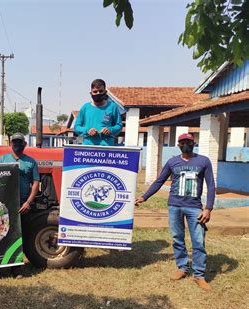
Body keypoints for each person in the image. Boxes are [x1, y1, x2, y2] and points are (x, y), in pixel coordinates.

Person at [135, 133, 215, 291]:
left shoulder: (203, 161)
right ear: (178, 145)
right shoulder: (173, 161)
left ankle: (199, 275)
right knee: (177, 238)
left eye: (189, 142)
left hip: (195, 208)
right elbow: (159, 181)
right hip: (175, 206)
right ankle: (182, 268)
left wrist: (208, 208)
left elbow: (211, 185)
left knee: (198, 241)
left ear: (194, 143)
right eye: (182, 142)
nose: (186, 144)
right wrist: (144, 197)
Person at [0, 133, 40, 214]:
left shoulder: (31, 162)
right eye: (14, 142)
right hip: (5, 202)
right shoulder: (2, 159)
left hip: (23, 204)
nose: (17, 144)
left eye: (19, 142)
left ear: (25, 144)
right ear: (10, 144)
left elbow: (36, 182)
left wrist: (28, 202)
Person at [74, 79, 123, 146]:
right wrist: (87, 130)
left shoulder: (112, 107)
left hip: (107, 146)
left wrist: (110, 130)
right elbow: (77, 127)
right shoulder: (85, 108)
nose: (98, 93)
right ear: (91, 93)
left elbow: (119, 125)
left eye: (101, 91)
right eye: (95, 91)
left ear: (105, 92)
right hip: (88, 147)